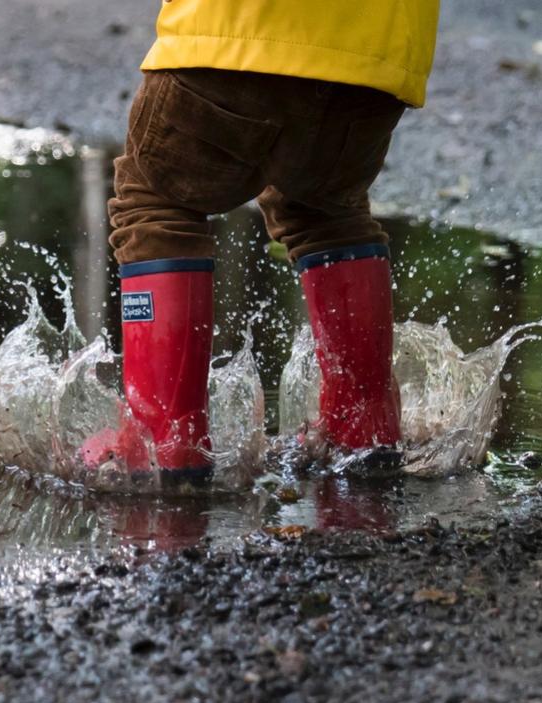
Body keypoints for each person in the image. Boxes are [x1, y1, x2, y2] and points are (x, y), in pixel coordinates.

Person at [82, 0, 441, 484]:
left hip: (240, 31)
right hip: (375, 61)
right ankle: (364, 430)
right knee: (326, 211)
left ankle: (162, 443)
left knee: (155, 202)